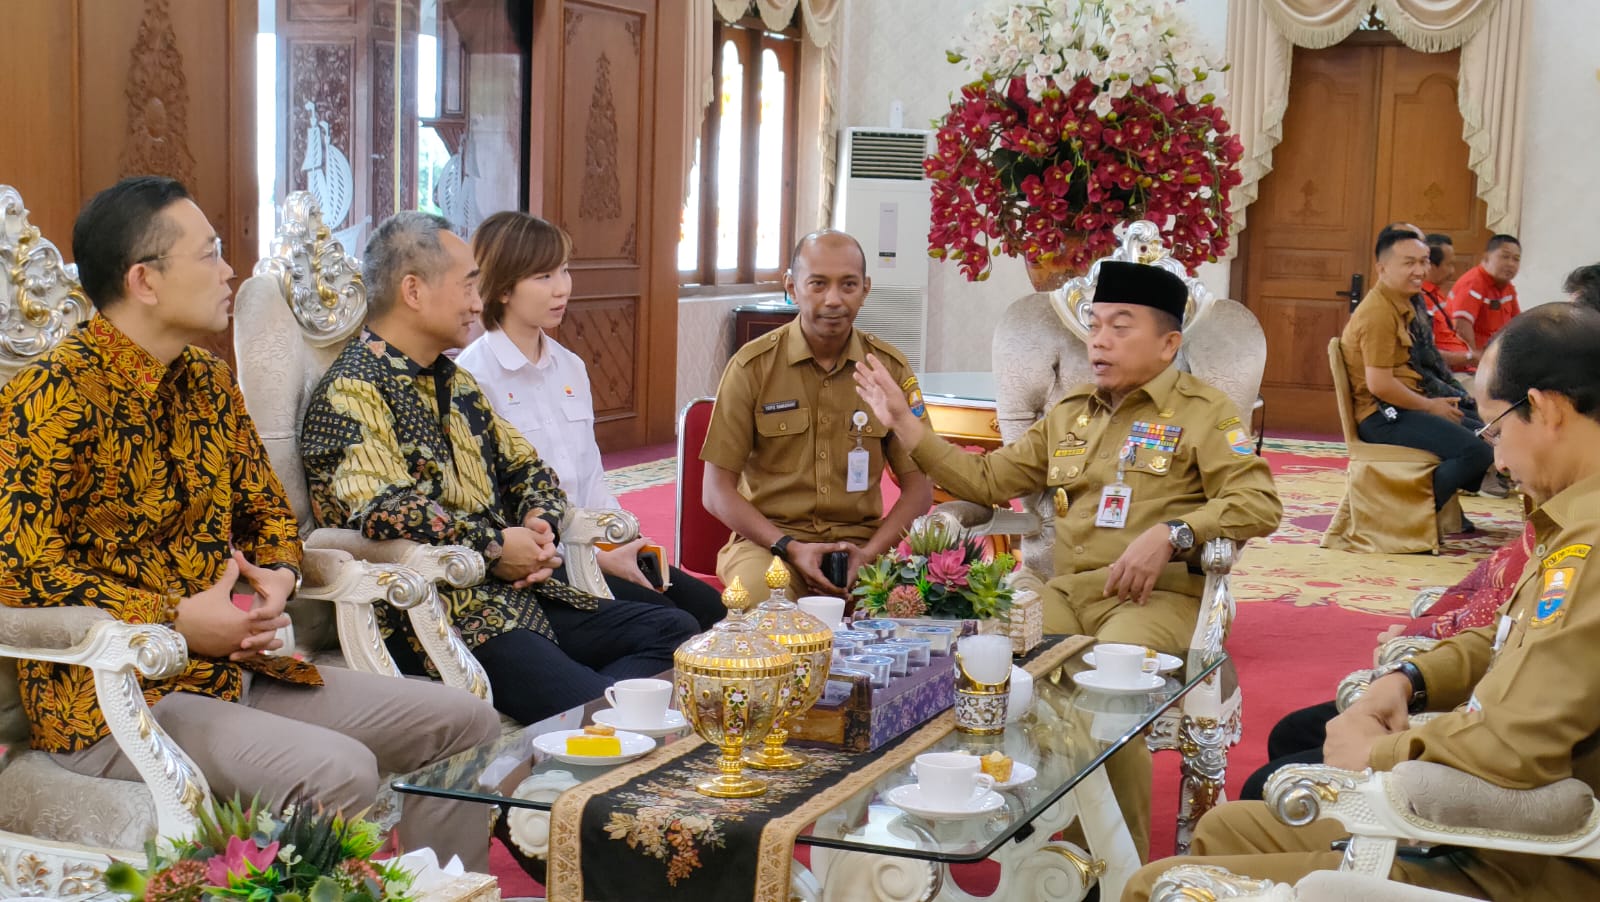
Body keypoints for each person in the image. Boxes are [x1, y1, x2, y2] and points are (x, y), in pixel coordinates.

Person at [0, 177, 500, 869]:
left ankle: (450, 888)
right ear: (144, 280)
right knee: (341, 771)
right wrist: (175, 618)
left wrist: (279, 575)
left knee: (465, 722)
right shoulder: (47, 398)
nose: (230, 269)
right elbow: (24, 574)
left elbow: (266, 510)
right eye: (208, 254)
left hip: (237, 665)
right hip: (117, 699)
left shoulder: (204, 381)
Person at [1124, 302, 1600, 901]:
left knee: (1157, 886)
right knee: (1222, 829)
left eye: (1497, 430)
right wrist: (1409, 678)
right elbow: (1512, 636)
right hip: (1482, 822)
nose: (1497, 459)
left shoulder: (1592, 548)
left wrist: (1378, 751)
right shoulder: (1574, 522)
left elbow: (1515, 749)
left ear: (1549, 409)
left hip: (1518, 857)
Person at [855, 259, 1282, 861]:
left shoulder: (1203, 412)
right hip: (1065, 591)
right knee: (990, 672)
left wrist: (1175, 532)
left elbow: (1259, 502)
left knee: (1109, 698)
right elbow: (986, 478)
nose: (1098, 341)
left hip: (1156, 600)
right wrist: (905, 424)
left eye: (1120, 327)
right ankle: (1008, 844)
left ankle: (1112, 868)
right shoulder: (1072, 413)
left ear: (1168, 343)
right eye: (1095, 324)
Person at [300, 211, 698, 725]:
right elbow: (383, 512)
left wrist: (537, 523)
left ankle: (602, 709)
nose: (477, 302)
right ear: (413, 291)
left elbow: (530, 470)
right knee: (596, 707)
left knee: (679, 631)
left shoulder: (455, 383)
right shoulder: (354, 389)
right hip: (440, 612)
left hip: (521, 592)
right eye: (467, 285)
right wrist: (494, 547)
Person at [456, 211, 724, 629]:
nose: (562, 287)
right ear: (504, 288)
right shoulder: (474, 377)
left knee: (712, 607)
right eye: (543, 276)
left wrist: (627, 541)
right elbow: (496, 510)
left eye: (564, 270)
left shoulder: (570, 367)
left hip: (598, 545)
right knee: (671, 622)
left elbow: (592, 479)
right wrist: (598, 556)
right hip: (544, 563)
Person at [700, 229, 934, 597]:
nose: (834, 300)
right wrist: (790, 547)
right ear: (792, 288)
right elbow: (715, 492)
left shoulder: (888, 369)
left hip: (863, 549)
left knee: (917, 614)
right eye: (818, 284)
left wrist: (870, 555)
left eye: (848, 285)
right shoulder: (751, 368)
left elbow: (919, 488)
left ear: (866, 289)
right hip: (771, 547)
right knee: (764, 607)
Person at [1237, 520, 1534, 800]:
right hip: (1467, 707)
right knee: (1291, 735)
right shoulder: (1549, 530)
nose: (1501, 465)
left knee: (1267, 788)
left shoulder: (1572, 555)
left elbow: (1523, 733)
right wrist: (1407, 676)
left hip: (1476, 753)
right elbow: (1491, 626)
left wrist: (1377, 752)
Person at [1341, 228, 1493, 514]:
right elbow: (1380, 385)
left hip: (1403, 406)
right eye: (1409, 263)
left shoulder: (1401, 304)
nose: (1420, 270)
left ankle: (1435, 512)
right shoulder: (1378, 313)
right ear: (1382, 268)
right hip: (1383, 416)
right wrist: (1431, 407)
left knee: (1486, 434)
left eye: (1424, 262)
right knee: (1476, 450)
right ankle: (1403, 517)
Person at [1447, 234, 1522, 354]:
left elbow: (1517, 323)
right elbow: (1462, 328)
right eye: (1505, 256)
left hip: (1497, 355)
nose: (1511, 264)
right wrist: (1476, 361)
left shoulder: (1507, 286)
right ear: (1486, 258)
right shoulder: (1473, 283)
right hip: (1472, 361)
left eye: (1516, 259)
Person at [1421, 233, 1476, 376]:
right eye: (1449, 264)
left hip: (1466, 370)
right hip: (1447, 375)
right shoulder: (1419, 300)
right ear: (1431, 266)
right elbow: (1425, 354)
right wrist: (1471, 357)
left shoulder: (1436, 293)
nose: (1453, 271)